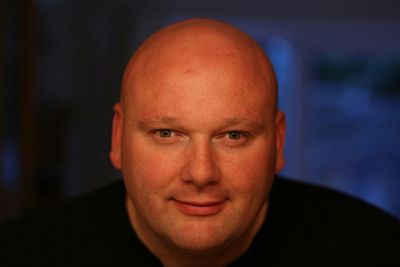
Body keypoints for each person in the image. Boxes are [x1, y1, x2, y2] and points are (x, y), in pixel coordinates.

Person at [0, 18, 399, 266]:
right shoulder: (23, 254)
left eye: (234, 136)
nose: (201, 173)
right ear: (119, 138)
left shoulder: (376, 250)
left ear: (278, 143)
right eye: (167, 134)